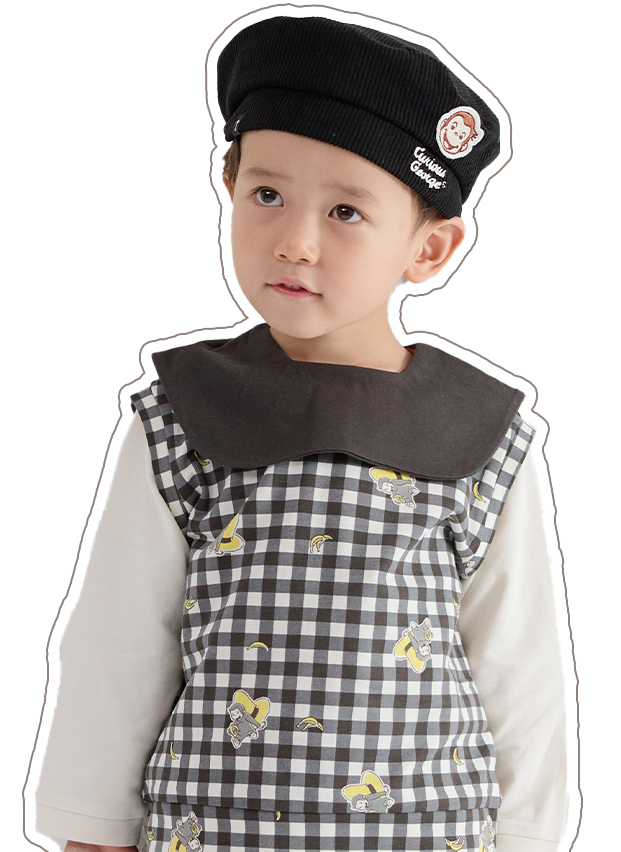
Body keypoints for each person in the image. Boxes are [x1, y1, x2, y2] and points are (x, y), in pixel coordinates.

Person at [25, 11, 576, 852]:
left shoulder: (483, 432)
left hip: (427, 835)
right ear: (229, 187)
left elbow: (521, 664)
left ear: (429, 249)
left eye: (346, 210)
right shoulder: (183, 411)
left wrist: (532, 838)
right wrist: (94, 827)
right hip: (213, 831)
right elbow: (119, 640)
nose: (294, 243)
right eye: (267, 196)